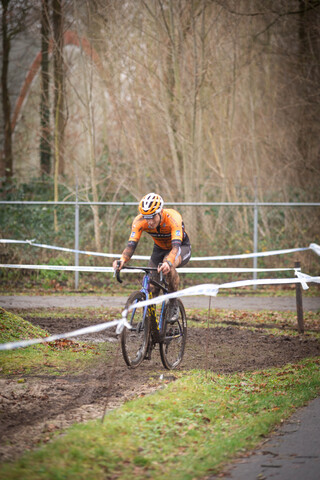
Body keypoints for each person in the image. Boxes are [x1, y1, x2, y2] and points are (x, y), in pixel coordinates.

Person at [113, 192, 191, 320]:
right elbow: (131, 246)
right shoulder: (140, 221)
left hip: (180, 248)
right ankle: (151, 322)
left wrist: (169, 263)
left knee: (168, 265)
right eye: (146, 217)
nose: (149, 221)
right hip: (159, 249)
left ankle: (173, 303)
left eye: (152, 217)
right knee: (152, 284)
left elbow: (176, 247)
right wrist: (122, 260)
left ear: (160, 212)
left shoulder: (173, 218)